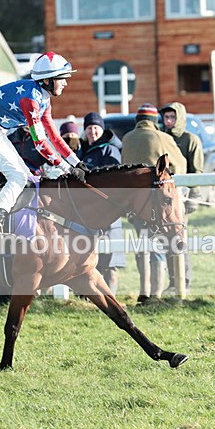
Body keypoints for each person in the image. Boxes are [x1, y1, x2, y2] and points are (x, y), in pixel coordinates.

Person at [0, 51, 87, 242]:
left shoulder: (43, 98)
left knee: (28, 178)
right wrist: (65, 167)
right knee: (18, 176)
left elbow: (54, 136)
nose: (65, 83)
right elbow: (40, 143)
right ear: (48, 80)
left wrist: (77, 163)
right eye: (62, 78)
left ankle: (9, 223)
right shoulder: (31, 100)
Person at [121, 103, 187, 304]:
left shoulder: (127, 138)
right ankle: (156, 294)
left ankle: (144, 290)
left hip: (133, 203)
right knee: (157, 246)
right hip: (156, 203)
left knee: (142, 246)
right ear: (154, 122)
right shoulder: (162, 138)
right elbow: (180, 165)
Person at [79, 111, 126, 294]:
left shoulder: (109, 149)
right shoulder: (82, 150)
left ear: (102, 129)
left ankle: (111, 295)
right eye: (89, 128)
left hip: (108, 210)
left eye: (96, 127)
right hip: (86, 212)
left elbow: (113, 180)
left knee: (110, 256)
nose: (93, 132)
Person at [159, 102, 204, 295]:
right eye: (166, 117)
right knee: (165, 240)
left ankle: (183, 281)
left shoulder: (190, 140)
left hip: (182, 198)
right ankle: (172, 282)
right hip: (163, 200)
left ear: (180, 118)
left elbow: (197, 171)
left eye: (172, 117)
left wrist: (194, 197)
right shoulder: (161, 138)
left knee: (179, 240)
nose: (168, 121)